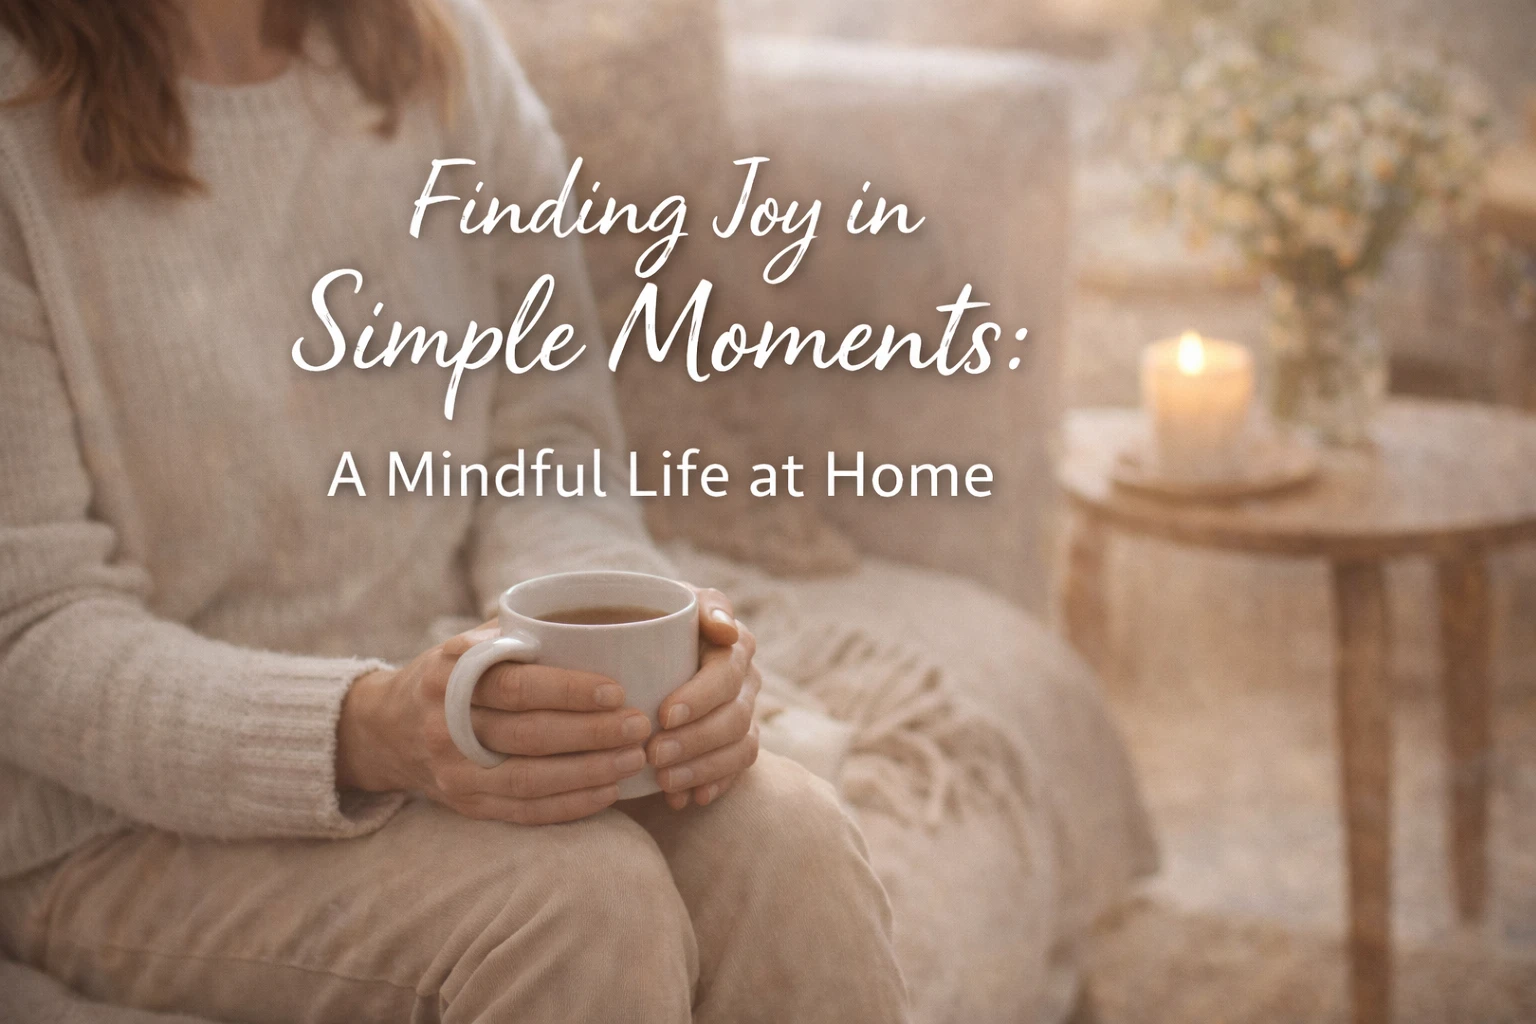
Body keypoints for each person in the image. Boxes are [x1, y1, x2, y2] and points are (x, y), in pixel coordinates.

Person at [0, 0, 908, 1020]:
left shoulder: (440, 51)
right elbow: (28, 633)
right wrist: (363, 727)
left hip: (448, 719)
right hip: (114, 822)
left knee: (789, 835)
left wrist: (635, 649)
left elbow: (547, 443)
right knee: (584, 904)